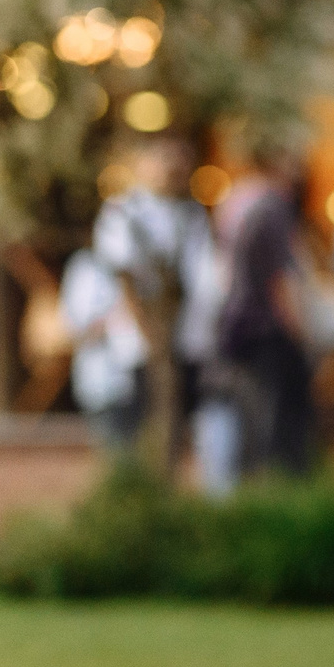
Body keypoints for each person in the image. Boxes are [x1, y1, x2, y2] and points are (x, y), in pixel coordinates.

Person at [91, 137, 227, 485]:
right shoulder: (125, 212)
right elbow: (124, 274)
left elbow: (206, 279)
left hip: (186, 338)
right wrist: (148, 334)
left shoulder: (192, 214)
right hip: (143, 344)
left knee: (178, 428)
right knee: (143, 429)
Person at [215, 149, 315, 476]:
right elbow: (280, 281)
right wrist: (304, 336)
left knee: (251, 427)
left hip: (240, 328)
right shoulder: (273, 208)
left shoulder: (237, 201)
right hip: (269, 332)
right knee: (276, 435)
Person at [56, 247, 146, 454]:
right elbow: (74, 327)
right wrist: (115, 321)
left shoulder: (140, 261)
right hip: (103, 383)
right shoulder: (87, 268)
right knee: (116, 455)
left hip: (139, 380)